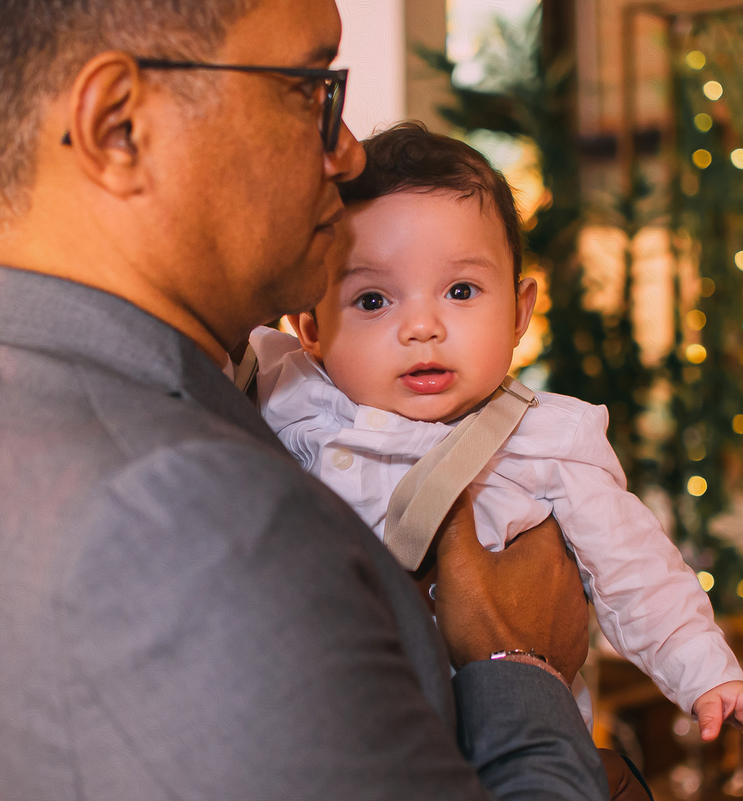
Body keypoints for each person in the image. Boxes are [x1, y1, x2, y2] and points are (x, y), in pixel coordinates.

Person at [0, 1, 632, 797]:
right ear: (120, 126)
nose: (349, 149)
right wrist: (520, 664)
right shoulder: (182, 512)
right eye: (309, 90)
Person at [250, 122, 743, 773]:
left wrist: (711, 676)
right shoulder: (286, 392)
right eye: (372, 299)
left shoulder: (547, 440)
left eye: (460, 291)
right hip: (341, 746)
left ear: (518, 311)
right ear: (307, 327)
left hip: (500, 752)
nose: (423, 326)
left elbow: (639, 570)